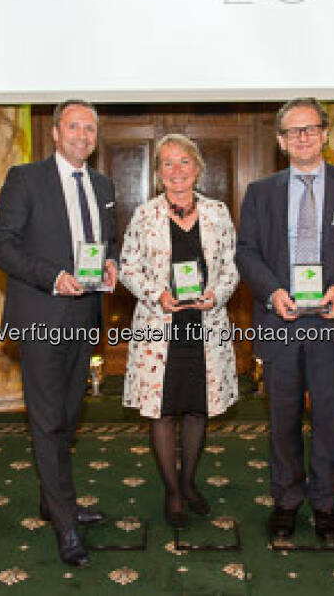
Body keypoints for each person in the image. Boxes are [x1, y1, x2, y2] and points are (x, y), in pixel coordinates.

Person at [236, 98, 334, 548]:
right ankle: (286, 499)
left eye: (310, 128)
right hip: (281, 319)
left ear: (325, 134)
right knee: (282, 420)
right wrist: (272, 291)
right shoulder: (260, 191)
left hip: (333, 322)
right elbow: (247, 252)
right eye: (292, 131)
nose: (302, 137)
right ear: (281, 141)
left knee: (329, 419)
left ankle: (324, 502)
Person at [0, 99, 118, 567]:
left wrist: (111, 264)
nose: (83, 135)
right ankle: (64, 523)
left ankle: (53, 499)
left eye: (90, 128)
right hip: (41, 315)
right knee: (46, 421)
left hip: (83, 319)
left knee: (67, 414)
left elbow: (109, 241)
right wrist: (51, 275)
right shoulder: (26, 179)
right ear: (56, 134)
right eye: (74, 126)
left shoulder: (102, 184)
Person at [119, 134, 240, 528]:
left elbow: (232, 269)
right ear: (157, 173)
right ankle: (172, 491)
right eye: (167, 164)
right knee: (163, 409)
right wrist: (157, 294)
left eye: (184, 162)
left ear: (198, 167)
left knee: (197, 407)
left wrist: (216, 294)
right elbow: (127, 267)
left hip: (205, 325)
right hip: (160, 327)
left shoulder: (218, 213)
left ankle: (189, 482)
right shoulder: (144, 215)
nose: (176, 171)